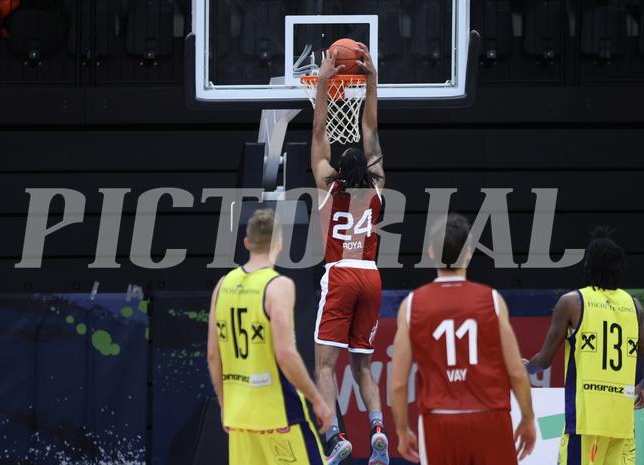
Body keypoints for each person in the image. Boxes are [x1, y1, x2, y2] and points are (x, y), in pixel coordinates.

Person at [389, 213, 536, 464]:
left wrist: (403, 431)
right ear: (469, 252)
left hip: (440, 420)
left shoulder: (412, 305)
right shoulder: (492, 300)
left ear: (432, 252)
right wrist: (527, 418)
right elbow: (517, 373)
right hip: (491, 417)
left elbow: (399, 384)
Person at [309, 41, 389, 465]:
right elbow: (370, 127)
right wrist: (371, 78)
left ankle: (335, 437)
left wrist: (324, 81)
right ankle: (377, 428)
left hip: (340, 273)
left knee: (325, 367)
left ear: (339, 168)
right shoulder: (376, 188)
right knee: (364, 366)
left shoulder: (327, 186)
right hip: (371, 275)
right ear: (369, 168)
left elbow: (320, 131)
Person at [207, 208, 333, 465]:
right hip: (279, 413)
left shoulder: (222, 284)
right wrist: (317, 401)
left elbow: (212, 354)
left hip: (239, 415)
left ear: (247, 243)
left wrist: (224, 404)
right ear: (279, 243)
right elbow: (285, 355)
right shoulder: (278, 286)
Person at [524, 226, 644, 465]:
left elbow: (544, 360)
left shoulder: (572, 303)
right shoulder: (635, 307)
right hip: (622, 423)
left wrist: (525, 368)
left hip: (585, 421)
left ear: (587, 266)